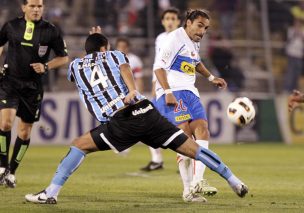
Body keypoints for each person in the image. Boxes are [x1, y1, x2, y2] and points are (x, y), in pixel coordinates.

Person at [24, 29, 248, 204]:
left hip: (121, 122)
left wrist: (95, 47)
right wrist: (131, 89)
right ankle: (234, 181)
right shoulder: (116, 55)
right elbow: (123, 68)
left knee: (79, 145)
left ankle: (51, 193)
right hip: (147, 112)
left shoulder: (75, 66)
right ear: (106, 48)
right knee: (193, 148)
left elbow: (90, 65)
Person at [154, 9, 225, 202]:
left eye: (206, 28)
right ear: (188, 22)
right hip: (173, 92)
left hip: (190, 91)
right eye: (200, 26)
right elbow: (158, 67)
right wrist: (168, 92)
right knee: (184, 137)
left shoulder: (194, 40)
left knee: (203, 130)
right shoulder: (174, 39)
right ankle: (187, 190)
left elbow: (195, 62)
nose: (202, 31)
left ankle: (197, 181)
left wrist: (211, 77)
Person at [0, 0, 68, 188]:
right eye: (32, 6)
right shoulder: (11, 26)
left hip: (33, 87)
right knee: (5, 123)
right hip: (10, 82)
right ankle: (1, 166)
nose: (36, 9)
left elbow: (63, 57)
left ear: (43, 8)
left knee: (24, 131)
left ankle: (12, 172)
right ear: (23, 8)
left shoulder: (51, 30)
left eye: (39, 6)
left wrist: (46, 66)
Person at [141, 8, 181, 172]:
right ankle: (157, 159)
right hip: (160, 87)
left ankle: (186, 158)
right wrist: (153, 82)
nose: (170, 21)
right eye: (167, 18)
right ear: (163, 22)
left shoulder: (181, 36)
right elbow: (158, 62)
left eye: (173, 18)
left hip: (176, 87)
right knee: (148, 123)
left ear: (178, 21)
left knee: (181, 125)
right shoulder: (160, 38)